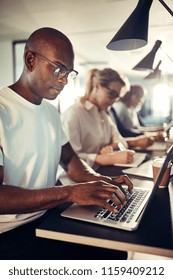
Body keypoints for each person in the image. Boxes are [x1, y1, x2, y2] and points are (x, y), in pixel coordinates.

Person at [0, 27, 133, 260]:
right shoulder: (3, 111)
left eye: (68, 73)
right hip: (10, 233)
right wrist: (69, 193)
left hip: (47, 214)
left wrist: (99, 179)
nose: (63, 80)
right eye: (59, 68)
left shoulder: (51, 112)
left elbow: (70, 159)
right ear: (30, 59)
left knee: (117, 247)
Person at [61, 68, 154, 171]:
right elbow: (69, 160)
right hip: (78, 181)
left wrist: (111, 147)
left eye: (117, 97)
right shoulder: (74, 114)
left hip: (100, 172)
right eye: (112, 94)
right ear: (97, 86)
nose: (114, 101)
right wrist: (106, 159)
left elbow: (121, 141)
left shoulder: (103, 114)